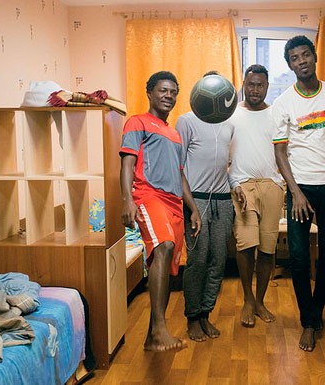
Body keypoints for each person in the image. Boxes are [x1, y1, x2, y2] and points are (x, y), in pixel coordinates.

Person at [272, 35, 325, 352]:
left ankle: (317, 308)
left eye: (305, 54)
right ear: (290, 65)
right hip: (301, 188)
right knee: (297, 256)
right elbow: (280, 153)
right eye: (295, 58)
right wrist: (296, 193)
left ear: (314, 56)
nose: (301, 61)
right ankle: (308, 321)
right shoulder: (284, 103)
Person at [120, 70, 202, 352]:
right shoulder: (137, 122)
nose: (169, 96)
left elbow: (180, 175)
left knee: (167, 266)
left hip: (174, 203)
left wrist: (193, 208)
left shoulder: (175, 134)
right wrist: (127, 200)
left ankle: (152, 336)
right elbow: (127, 164)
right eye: (163, 90)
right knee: (164, 246)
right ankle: (159, 330)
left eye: (173, 92)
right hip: (148, 195)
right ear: (150, 93)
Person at [175, 71, 234, 342]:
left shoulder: (229, 123)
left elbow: (226, 163)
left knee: (218, 260)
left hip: (223, 200)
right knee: (198, 260)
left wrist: (236, 187)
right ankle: (192, 317)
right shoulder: (186, 121)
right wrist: (192, 208)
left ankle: (205, 314)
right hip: (195, 200)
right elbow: (178, 168)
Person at [228, 64, 285, 328]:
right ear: (243, 84)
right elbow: (222, 152)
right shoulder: (232, 114)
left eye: (260, 85)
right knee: (246, 244)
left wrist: (283, 183)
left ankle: (260, 301)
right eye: (250, 84)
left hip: (272, 185)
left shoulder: (276, 114)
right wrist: (232, 181)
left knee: (267, 247)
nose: (254, 90)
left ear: (267, 87)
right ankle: (248, 300)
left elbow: (285, 151)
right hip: (242, 186)